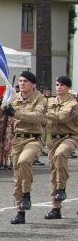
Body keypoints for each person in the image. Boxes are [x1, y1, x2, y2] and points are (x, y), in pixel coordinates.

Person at [0, 71, 47, 224]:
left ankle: (26, 194)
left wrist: (16, 113)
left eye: (25, 81)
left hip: (33, 138)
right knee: (17, 176)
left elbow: (38, 117)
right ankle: (20, 211)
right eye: (20, 81)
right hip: (17, 139)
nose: (22, 83)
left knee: (24, 161)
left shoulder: (40, 99)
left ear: (33, 84)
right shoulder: (15, 97)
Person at [43, 75, 78, 219]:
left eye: (62, 85)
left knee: (60, 154)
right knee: (54, 172)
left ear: (68, 87)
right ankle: (56, 208)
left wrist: (44, 113)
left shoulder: (74, 103)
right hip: (54, 139)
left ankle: (61, 187)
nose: (58, 87)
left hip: (70, 136)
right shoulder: (50, 101)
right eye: (57, 84)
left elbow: (63, 117)